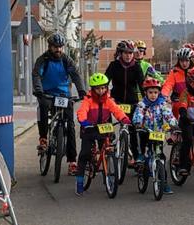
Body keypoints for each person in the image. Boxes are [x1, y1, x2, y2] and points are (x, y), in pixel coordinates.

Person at [32, 32, 86, 176]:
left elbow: (75, 75)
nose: (58, 50)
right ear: (50, 47)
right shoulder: (43, 60)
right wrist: (38, 90)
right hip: (47, 94)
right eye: (56, 47)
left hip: (63, 95)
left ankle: (72, 162)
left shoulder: (67, 60)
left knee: (71, 126)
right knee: (42, 107)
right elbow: (36, 74)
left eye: (60, 47)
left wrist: (81, 91)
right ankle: (43, 138)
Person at [75, 73, 131, 196]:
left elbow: (117, 110)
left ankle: (107, 173)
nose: (101, 91)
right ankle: (79, 182)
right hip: (89, 129)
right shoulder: (88, 100)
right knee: (85, 154)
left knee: (107, 149)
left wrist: (124, 118)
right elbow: (82, 112)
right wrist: (84, 122)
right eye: (98, 88)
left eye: (103, 88)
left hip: (104, 129)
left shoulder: (108, 100)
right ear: (92, 89)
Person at [133, 78, 177, 194]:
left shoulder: (162, 104)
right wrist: (138, 123)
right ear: (146, 93)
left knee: (161, 157)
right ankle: (141, 154)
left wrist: (173, 125)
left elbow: (169, 115)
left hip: (158, 133)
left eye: (155, 92)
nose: (153, 95)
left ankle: (164, 183)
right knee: (141, 137)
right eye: (150, 92)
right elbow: (138, 114)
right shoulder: (142, 104)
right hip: (146, 131)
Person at [104, 40, 145, 165]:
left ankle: (136, 156)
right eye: (126, 53)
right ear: (120, 53)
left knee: (132, 130)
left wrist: (146, 102)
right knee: (105, 114)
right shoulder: (113, 65)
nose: (128, 55)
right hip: (116, 100)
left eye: (131, 53)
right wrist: (104, 95)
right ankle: (110, 138)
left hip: (132, 101)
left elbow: (142, 85)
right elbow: (105, 81)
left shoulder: (136, 67)